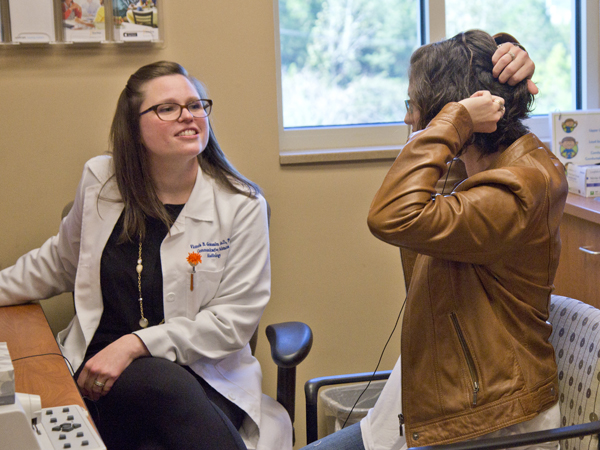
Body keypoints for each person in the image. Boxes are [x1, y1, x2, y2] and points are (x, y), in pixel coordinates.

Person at [302, 31, 567, 450]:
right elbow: (418, 185)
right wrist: (504, 47)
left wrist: (455, 117)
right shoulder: (485, 164)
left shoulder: (515, 189)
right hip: (442, 395)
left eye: (413, 105)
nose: (409, 119)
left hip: (487, 420)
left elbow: (391, 214)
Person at [0, 61, 277, 450]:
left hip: (203, 376)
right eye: (168, 108)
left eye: (196, 105)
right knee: (160, 389)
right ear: (133, 126)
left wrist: (134, 344)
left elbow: (234, 321)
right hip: (105, 375)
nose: (188, 116)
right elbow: (60, 263)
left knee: (160, 407)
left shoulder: (241, 204)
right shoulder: (102, 181)